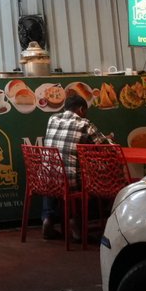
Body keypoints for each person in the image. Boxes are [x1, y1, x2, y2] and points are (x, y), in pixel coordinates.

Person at [38, 92, 110, 241]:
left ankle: (48, 219)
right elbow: (106, 148)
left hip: (45, 179)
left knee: (53, 172)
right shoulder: (84, 124)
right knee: (86, 178)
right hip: (70, 181)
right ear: (81, 109)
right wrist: (108, 139)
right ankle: (75, 222)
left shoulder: (52, 119)